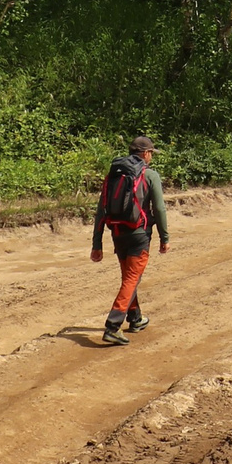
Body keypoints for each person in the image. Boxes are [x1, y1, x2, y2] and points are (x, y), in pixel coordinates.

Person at [90, 133, 170, 344]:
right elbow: (159, 209)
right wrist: (164, 237)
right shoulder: (150, 175)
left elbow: (100, 211)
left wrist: (96, 244)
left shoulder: (114, 175)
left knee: (129, 278)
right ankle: (113, 325)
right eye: (151, 153)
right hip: (139, 235)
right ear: (145, 153)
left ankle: (135, 319)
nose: (151, 157)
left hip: (117, 234)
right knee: (132, 279)